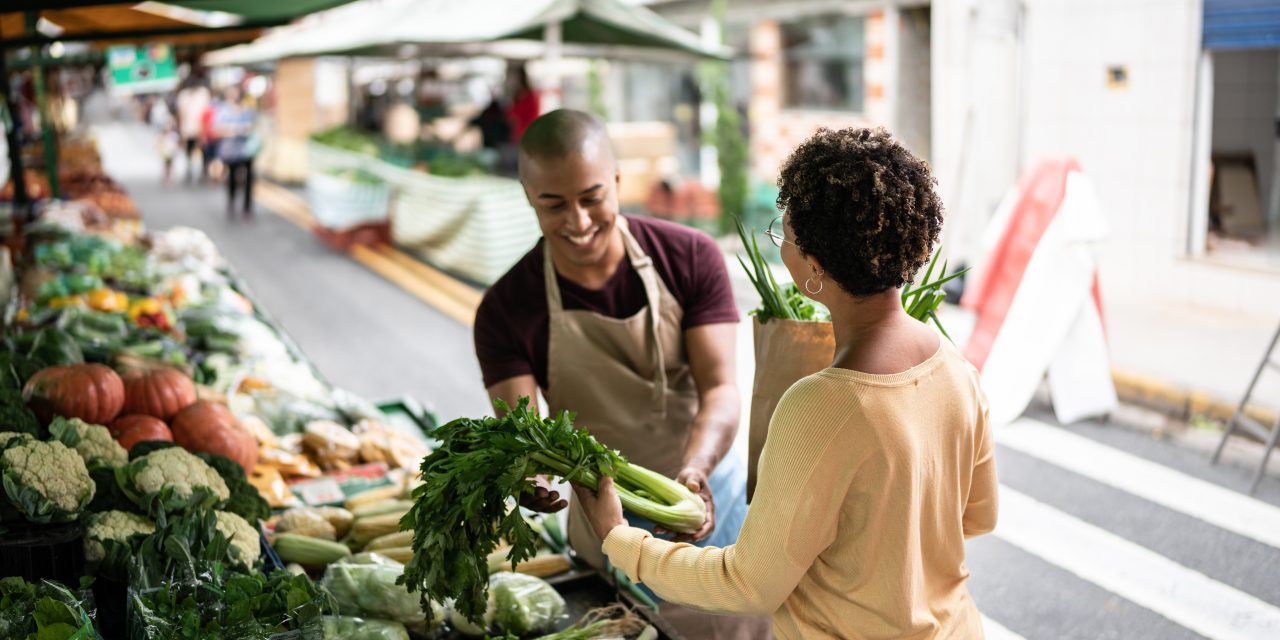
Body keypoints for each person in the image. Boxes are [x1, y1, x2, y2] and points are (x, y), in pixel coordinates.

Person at [574, 127, 1000, 639]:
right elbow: (977, 517)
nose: (781, 242)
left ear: (814, 270)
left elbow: (747, 584)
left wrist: (618, 538)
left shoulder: (822, 405)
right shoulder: (956, 370)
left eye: (785, 234)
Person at [472, 109, 770, 639]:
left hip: (706, 502)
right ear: (527, 195)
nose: (579, 221)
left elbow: (722, 390)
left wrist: (695, 471)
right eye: (554, 204)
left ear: (616, 181)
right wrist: (532, 480)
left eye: (591, 198)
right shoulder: (505, 309)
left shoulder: (689, 257)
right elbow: (523, 434)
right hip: (604, 523)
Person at [212, 86, 259, 217]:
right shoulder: (223, 110)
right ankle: (231, 202)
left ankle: (247, 208)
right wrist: (234, 129)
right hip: (231, 149)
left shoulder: (247, 110)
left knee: (249, 178)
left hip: (246, 149)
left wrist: (246, 128)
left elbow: (253, 126)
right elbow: (216, 129)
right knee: (232, 177)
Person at [175, 76, 212, 182]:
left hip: (200, 127)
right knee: (190, 150)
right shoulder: (184, 95)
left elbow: (206, 112)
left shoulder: (202, 94)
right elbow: (181, 114)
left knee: (202, 150)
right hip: (189, 128)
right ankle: (191, 170)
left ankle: (202, 171)